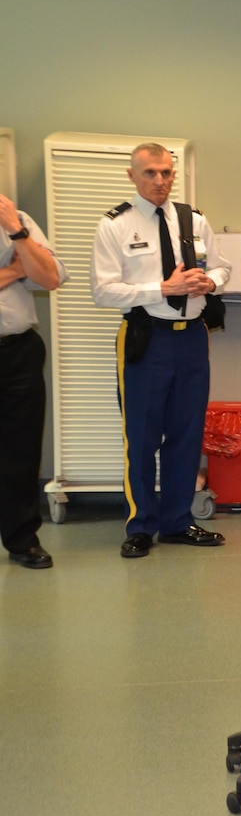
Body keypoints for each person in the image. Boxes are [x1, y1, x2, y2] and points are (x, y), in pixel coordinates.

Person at [92, 143, 230, 558]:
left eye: (167, 173)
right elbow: (103, 290)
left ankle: (177, 521)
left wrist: (211, 283)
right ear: (132, 176)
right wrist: (162, 288)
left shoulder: (193, 219)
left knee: (187, 434)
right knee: (142, 435)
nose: (160, 181)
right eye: (151, 173)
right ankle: (140, 526)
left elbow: (221, 267)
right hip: (145, 337)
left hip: (191, 336)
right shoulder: (116, 225)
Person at [0, 193, 65, 569]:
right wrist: (14, 270)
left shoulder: (17, 218)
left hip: (19, 349)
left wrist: (17, 233)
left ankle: (23, 540)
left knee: (21, 452)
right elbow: (28, 271)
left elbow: (49, 277)